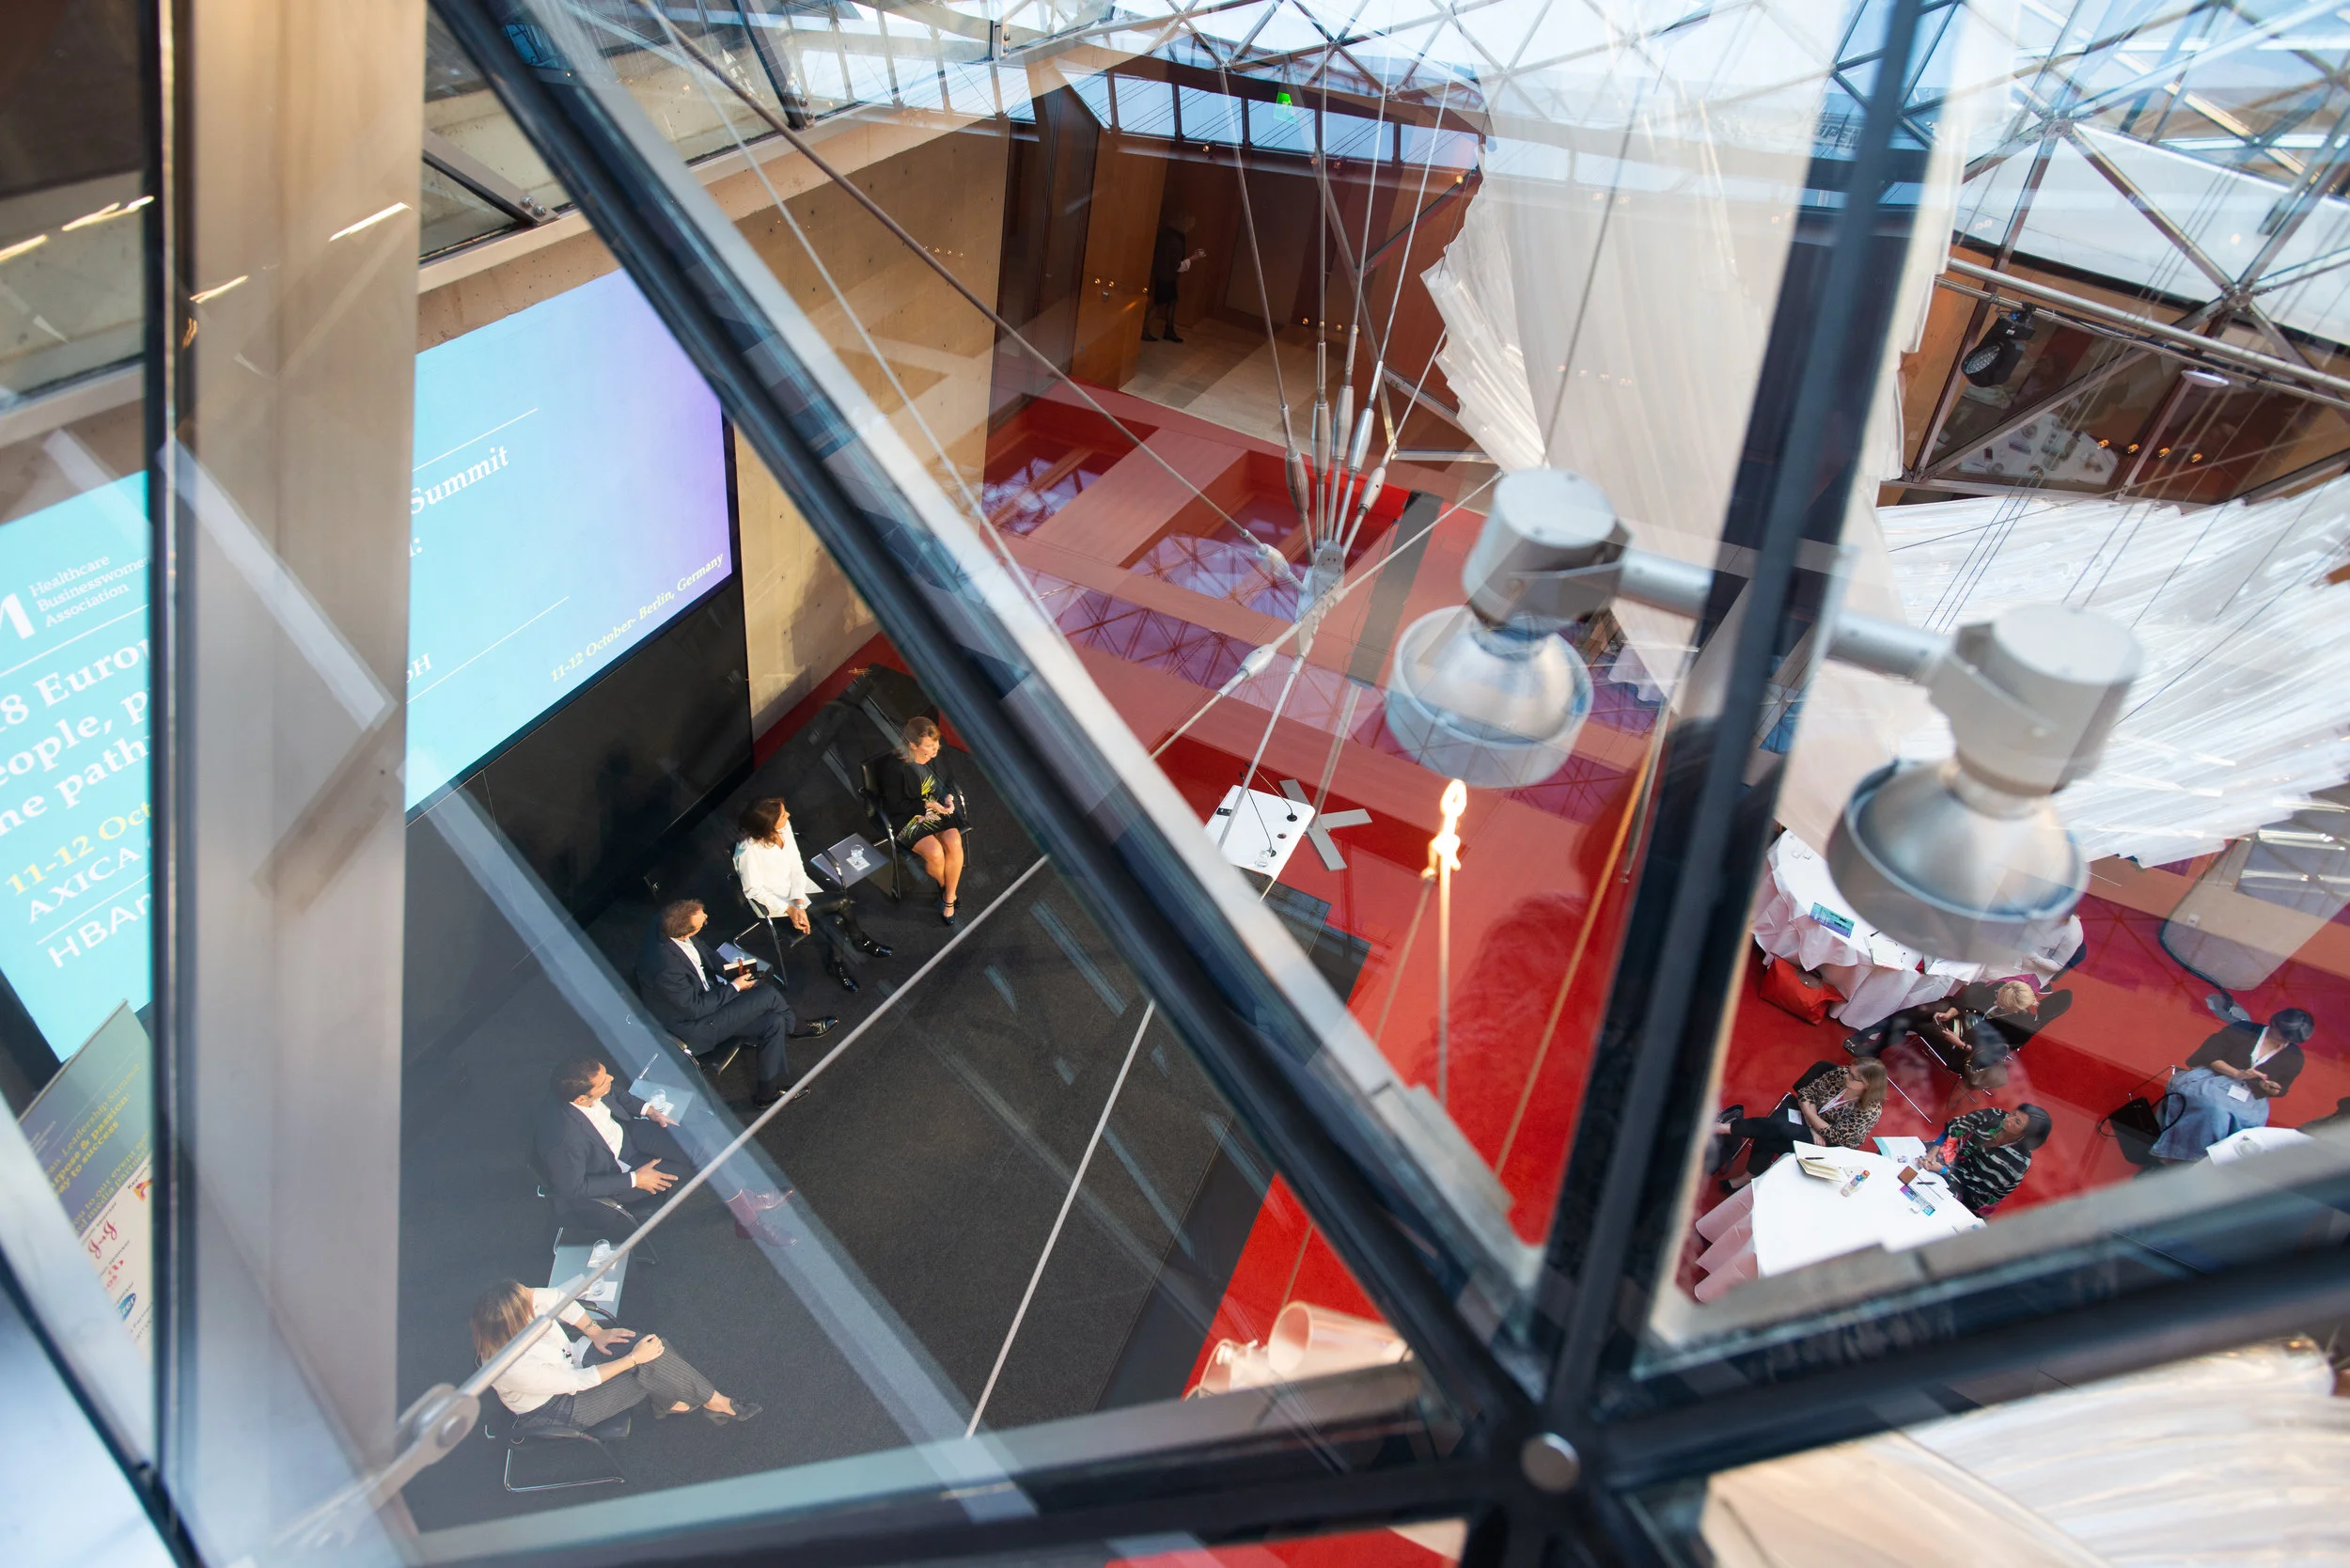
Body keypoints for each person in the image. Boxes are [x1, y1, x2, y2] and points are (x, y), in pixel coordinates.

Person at [471, 1280, 759, 1429]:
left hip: (570, 1358)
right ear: (516, 1322)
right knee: (644, 1370)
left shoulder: (516, 1311)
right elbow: (579, 1382)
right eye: (528, 1297)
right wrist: (632, 1360)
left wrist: (594, 1331)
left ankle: (676, 1401)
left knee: (649, 1345)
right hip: (560, 1406)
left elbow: (558, 1298)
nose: (534, 1295)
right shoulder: (514, 1368)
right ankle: (715, 1402)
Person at [637, 899, 832, 1107]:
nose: (706, 919)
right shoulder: (666, 968)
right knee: (768, 994)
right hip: (697, 1027)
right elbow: (695, 1009)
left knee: (774, 1021)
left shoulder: (668, 921)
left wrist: (730, 971)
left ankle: (767, 1094)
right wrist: (735, 986)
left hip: (708, 998)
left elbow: (702, 951)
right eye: (703, 922)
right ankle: (797, 1028)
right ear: (685, 934)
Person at [734, 795, 891, 995]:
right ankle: (860, 941)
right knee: (843, 901)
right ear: (768, 824)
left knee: (836, 921)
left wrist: (798, 904)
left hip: (800, 889)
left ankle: (837, 965)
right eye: (783, 815)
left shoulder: (783, 827)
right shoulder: (747, 852)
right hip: (775, 904)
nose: (788, 815)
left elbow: (797, 866)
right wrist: (789, 909)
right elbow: (754, 891)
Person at [533, 1058, 686, 1241]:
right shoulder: (564, 1140)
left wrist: (648, 1110)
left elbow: (613, 1092)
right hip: (613, 1171)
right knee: (689, 1166)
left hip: (626, 1134)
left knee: (693, 1150)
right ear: (581, 1099)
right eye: (604, 1081)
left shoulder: (586, 1089)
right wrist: (635, 1179)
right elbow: (573, 1188)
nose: (611, 1078)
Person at [2150, 1008, 2313, 1164]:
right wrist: (2238, 1074)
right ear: (2274, 1023)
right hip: (2214, 1078)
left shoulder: (2295, 1056)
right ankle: (2180, 1157)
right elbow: (2209, 1054)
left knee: (2248, 1126)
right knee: (2215, 1112)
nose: (2285, 1042)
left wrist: (2270, 1089)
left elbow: (2282, 1089)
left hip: (2250, 1095)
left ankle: (2212, 1161)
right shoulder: (2244, 1029)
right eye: (2284, 1036)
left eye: (2291, 1040)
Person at [1709, 1059, 1888, 1188]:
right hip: (1809, 1117)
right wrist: (1812, 1122)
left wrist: (1811, 1118)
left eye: (1853, 1077)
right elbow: (1807, 1092)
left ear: (1868, 1085)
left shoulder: (1870, 1111)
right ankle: (1749, 1177)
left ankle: (1728, 1132)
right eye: (1849, 1070)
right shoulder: (1841, 1074)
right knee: (1774, 1129)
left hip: (1827, 1143)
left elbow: (1835, 1135)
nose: (1846, 1075)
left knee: (1775, 1128)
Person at [876, 715, 969, 925]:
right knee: (935, 853)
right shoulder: (895, 768)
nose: (935, 750)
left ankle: (948, 898)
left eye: (936, 744)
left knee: (954, 842)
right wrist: (928, 805)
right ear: (913, 745)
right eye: (929, 746)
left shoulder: (937, 754)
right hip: (908, 815)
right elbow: (895, 805)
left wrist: (948, 797)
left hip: (935, 807)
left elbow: (948, 780)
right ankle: (947, 889)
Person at [1919, 1104, 2052, 1215]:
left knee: (1928, 1202)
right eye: (2013, 1114)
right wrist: (1933, 1152)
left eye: (2017, 1122)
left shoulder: (2018, 1161)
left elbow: (1975, 1185)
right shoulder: (1995, 1115)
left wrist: (1942, 1169)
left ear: (2026, 1135)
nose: (2009, 1119)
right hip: (1949, 1159)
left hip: (1969, 1191)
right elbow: (1956, 1125)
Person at [1143, 212, 1204, 342]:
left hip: (1161, 273)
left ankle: (1164, 330)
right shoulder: (1177, 240)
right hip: (1168, 276)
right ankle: (1148, 330)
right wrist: (1193, 259)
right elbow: (1176, 264)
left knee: (1166, 302)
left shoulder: (1165, 234)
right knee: (1161, 304)